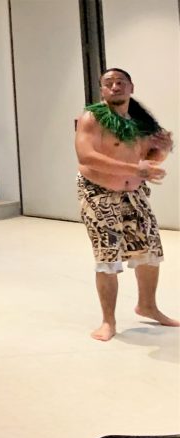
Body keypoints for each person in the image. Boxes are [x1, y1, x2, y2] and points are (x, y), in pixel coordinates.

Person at [75, 67, 176, 341]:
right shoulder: (92, 118)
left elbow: (149, 159)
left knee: (151, 250)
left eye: (121, 82)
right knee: (108, 257)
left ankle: (148, 306)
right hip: (99, 193)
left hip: (135, 193)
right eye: (109, 83)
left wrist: (163, 150)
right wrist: (135, 168)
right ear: (102, 90)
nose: (115, 87)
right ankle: (108, 321)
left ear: (132, 87)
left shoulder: (142, 121)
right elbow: (87, 157)